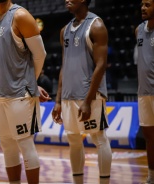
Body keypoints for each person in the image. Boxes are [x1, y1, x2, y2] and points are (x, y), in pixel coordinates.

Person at [0, 1, 49, 183]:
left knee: (25, 144)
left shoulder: (20, 16)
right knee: (7, 146)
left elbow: (40, 54)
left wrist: (30, 82)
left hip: (19, 95)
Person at [51, 0, 112, 184]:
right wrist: (58, 100)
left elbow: (101, 65)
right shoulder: (65, 30)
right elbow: (65, 65)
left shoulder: (97, 26)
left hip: (89, 95)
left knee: (99, 138)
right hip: (69, 95)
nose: (67, 0)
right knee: (74, 141)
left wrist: (88, 99)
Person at [135, 0, 154, 183]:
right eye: (142, 4)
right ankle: (151, 176)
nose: (143, 8)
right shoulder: (138, 30)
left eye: (148, 4)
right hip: (144, 91)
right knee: (149, 137)